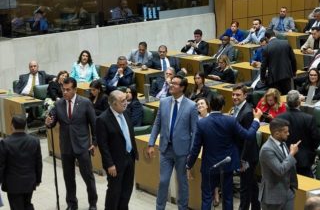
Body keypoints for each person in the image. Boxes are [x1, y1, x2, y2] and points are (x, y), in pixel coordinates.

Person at [186, 94, 262, 210]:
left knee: (207, 197)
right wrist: (256, 120)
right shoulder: (230, 121)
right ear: (223, 107)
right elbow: (248, 135)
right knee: (227, 197)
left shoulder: (202, 123)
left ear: (210, 106)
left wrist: (189, 165)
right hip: (227, 165)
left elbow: (195, 148)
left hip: (209, 165)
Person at [146, 75, 198, 210]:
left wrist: (192, 154)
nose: (171, 85)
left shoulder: (191, 106)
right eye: (171, 83)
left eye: (175, 84)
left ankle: (183, 207)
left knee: (182, 183)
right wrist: (151, 143)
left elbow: (195, 132)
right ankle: (160, 207)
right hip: (165, 149)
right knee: (163, 181)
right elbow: (157, 124)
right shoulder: (164, 102)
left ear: (182, 87)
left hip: (183, 151)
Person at [45, 77, 97, 210]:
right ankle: (72, 204)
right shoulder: (58, 104)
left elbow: (94, 124)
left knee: (88, 177)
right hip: (66, 147)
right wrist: (48, 122)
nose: (65, 92)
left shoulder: (85, 103)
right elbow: (52, 122)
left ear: (75, 89)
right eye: (63, 89)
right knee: (68, 178)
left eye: (68, 90)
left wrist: (94, 143)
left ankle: (92, 203)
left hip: (82, 146)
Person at [96, 90, 138, 210]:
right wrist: (109, 164)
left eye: (126, 99)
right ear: (113, 104)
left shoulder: (126, 113)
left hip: (129, 158)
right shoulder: (103, 119)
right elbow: (103, 145)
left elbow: (129, 134)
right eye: (122, 101)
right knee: (114, 192)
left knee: (127, 190)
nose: (126, 103)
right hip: (115, 163)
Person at [0, 116, 42, 210]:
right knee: (27, 204)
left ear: (12, 126)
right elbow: (38, 163)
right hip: (29, 181)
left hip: (12, 184)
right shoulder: (34, 141)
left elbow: (1, 165)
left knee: (16, 206)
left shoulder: (5, 143)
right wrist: (38, 179)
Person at [278, 90, 320, 177]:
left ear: (287, 103)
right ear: (299, 102)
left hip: (284, 156)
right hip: (304, 159)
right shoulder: (309, 118)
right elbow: (317, 138)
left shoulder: (279, 118)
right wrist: (311, 150)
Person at [259, 118, 300, 210]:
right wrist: (292, 154)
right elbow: (280, 170)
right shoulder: (267, 149)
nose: (288, 134)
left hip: (288, 191)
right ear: (277, 133)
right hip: (273, 196)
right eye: (286, 132)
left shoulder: (282, 143)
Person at [231, 84, 260, 210]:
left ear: (245, 96)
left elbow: (249, 139)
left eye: (238, 95)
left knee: (245, 188)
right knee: (251, 184)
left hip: (247, 156)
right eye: (233, 94)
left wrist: (242, 160)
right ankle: (256, 207)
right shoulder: (237, 108)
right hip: (242, 152)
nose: (235, 97)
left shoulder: (247, 112)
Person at [261, 29, 297, 95]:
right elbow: (293, 59)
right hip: (286, 74)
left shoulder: (266, 48)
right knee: (287, 96)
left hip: (274, 77)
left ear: (266, 38)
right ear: (275, 35)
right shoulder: (286, 43)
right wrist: (294, 72)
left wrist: (262, 78)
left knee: (276, 97)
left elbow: (263, 66)